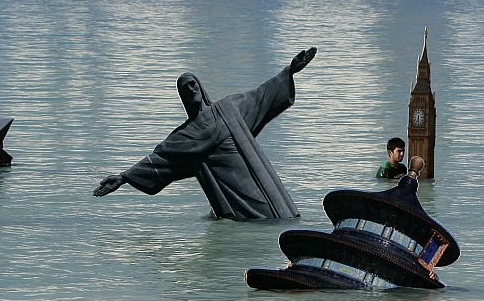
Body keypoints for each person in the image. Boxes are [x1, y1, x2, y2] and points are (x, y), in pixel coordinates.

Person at [94, 48, 317, 220]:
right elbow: (159, 159)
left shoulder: (231, 108)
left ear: (200, 87)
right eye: (185, 88)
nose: (191, 90)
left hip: (258, 177)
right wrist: (124, 178)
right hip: (234, 194)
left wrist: (289, 71)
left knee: (279, 216)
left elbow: (261, 96)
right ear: (182, 96)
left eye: (193, 85)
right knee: (250, 222)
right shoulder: (184, 135)